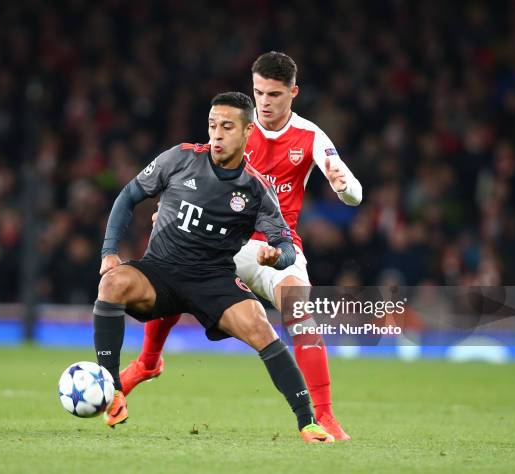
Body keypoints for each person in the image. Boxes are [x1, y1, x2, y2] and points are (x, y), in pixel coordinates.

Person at [120, 52, 362, 440]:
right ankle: (148, 362)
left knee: (299, 306)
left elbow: (355, 194)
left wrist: (342, 185)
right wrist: (168, 209)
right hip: (225, 240)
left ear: (293, 93)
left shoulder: (311, 137)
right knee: (177, 262)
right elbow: (195, 175)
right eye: (259, 92)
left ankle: (325, 416)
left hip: (277, 247)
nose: (264, 102)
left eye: (274, 94)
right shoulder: (236, 126)